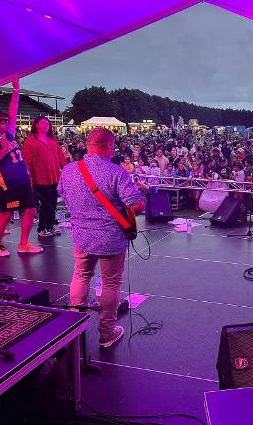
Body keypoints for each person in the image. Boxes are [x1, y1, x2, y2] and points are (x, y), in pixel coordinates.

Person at [58, 127, 144, 348]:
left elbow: (62, 194)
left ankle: (72, 329)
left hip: (82, 236)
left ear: (88, 145)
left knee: (80, 275)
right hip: (110, 238)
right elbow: (137, 205)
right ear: (109, 146)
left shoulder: (68, 170)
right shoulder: (116, 172)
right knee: (111, 282)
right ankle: (107, 333)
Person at [0, 80, 43, 256]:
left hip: (22, 181)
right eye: (0, 120)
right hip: (7, 184)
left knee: (30, 210)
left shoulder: (9, 133)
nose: (4, 123)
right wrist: (5, 149)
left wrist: (16, 89)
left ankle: (23, 244)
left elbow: (13, 110)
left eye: (5, 120)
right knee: (6, 213)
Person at [22, 116, 68, 237]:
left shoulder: (52, 141)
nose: (46, 125)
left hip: (54, 178)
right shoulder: (30, 142)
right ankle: (42, 228)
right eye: (43, 123)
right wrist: (29, 179)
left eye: (47, 124)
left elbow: (61, 158)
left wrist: (68, 170)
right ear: (36, 125)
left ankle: (49, 226)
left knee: (52, 203)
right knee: (45, 205)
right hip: (40, 179)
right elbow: (26, 162)